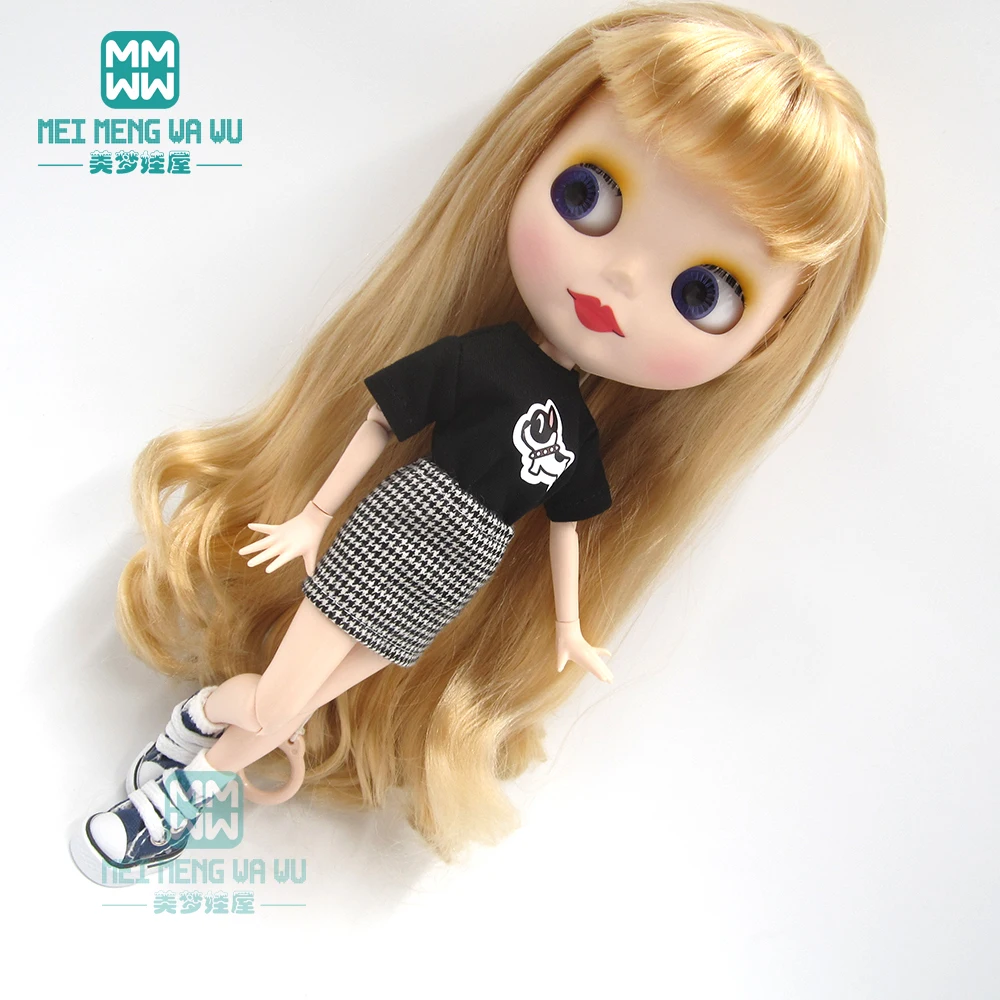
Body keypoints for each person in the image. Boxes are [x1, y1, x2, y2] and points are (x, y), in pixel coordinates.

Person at [69, 2, 886, 884]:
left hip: (453, 576)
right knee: (275, 708)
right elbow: (383, 420)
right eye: (589, 195)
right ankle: (163, 804)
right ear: (529, 154)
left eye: (704, 292)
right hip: (392, 537)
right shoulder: (485, 358)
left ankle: (195, 731)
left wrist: (569, 626)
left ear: (768, 340)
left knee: (287, 709)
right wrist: (315, 515)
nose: (622, 274)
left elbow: (566, 526)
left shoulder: (581, 433)